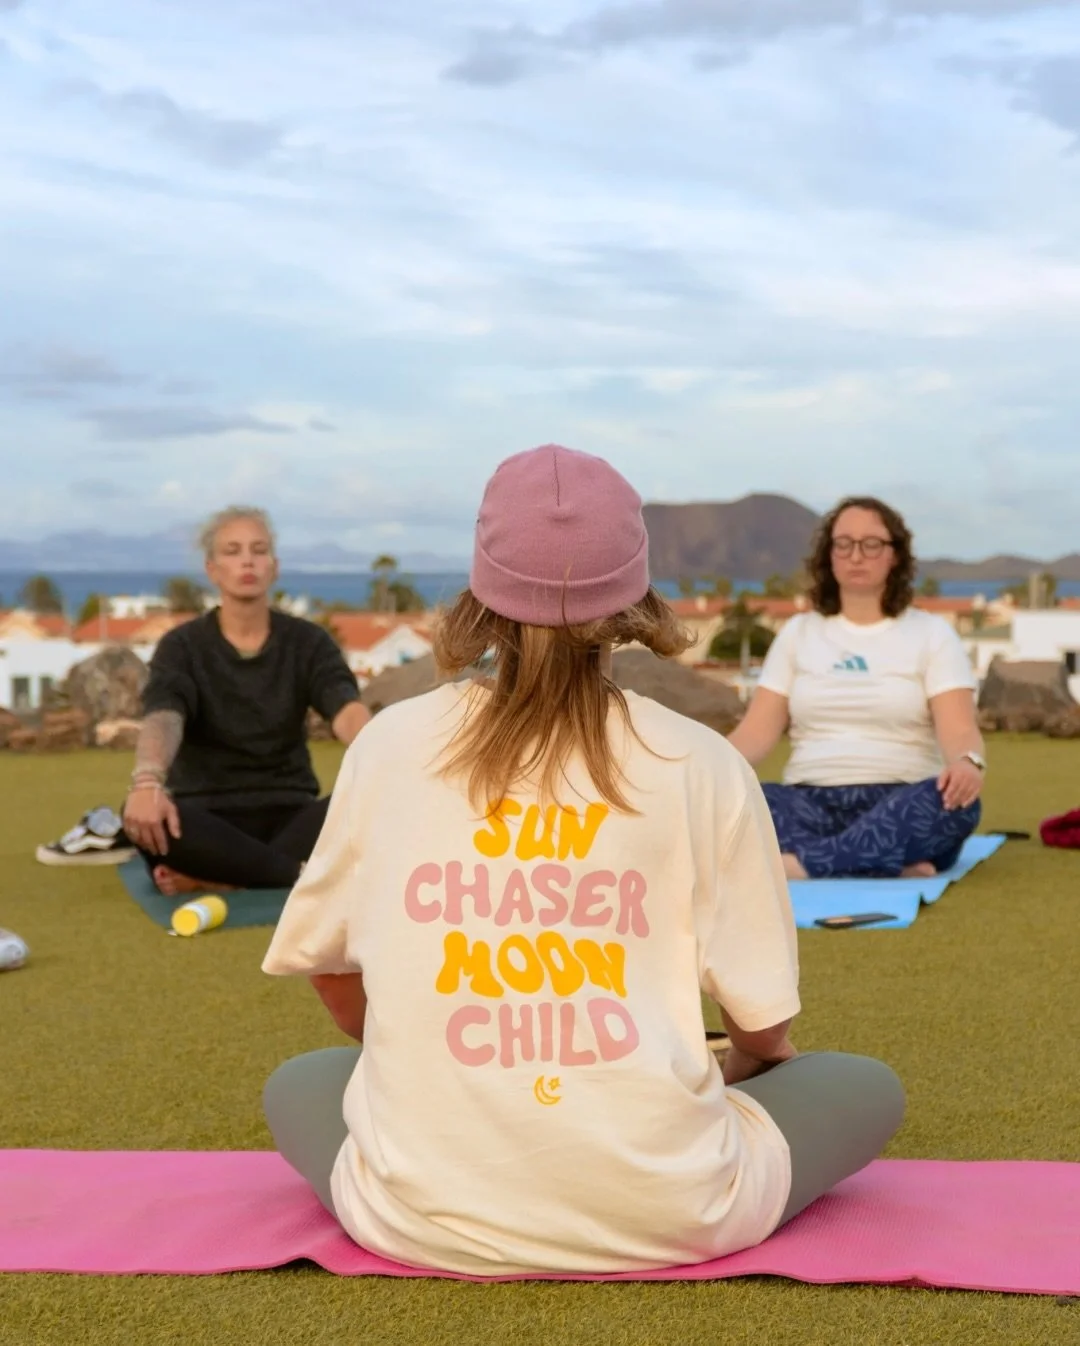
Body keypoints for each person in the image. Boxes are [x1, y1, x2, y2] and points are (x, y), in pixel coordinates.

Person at [259, 445, 904, 1277]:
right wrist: (741, 1069)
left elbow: (335, 979)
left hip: (420, 1218)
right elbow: (764, 1024)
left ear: (481, 586)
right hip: (675, 1211)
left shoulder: (389, 745)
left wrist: (429, 1052)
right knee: (865, 1085)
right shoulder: (700, 761)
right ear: (633, 595)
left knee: (301, 1081)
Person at [728, 496, 985, 881]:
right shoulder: (798, 633)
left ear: (895, 554)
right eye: (844, 544)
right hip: (808, 802)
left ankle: (800, 865)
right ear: (829, 555)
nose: (856, 556)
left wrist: (967, 763)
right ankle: (878, 861)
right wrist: (703, 768)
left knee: (957, 806)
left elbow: (960, 729)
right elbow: (754, 733)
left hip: (901, 799)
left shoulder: (932, 634)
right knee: (746, 802)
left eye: (872, 544)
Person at [120, 506, 370, 896]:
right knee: (143, 815)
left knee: (369, 801)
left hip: (291, 814)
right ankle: (297, 874)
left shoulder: (308, 642)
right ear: (212, 569)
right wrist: (147, 780)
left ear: (274, 566)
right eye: (233, 551)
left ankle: (224, 876)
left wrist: (381, 752)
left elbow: (344, 707)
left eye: (259, 549)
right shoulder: (182, 646)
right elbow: (164, 713)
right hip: (206, 818)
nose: (248, 561)